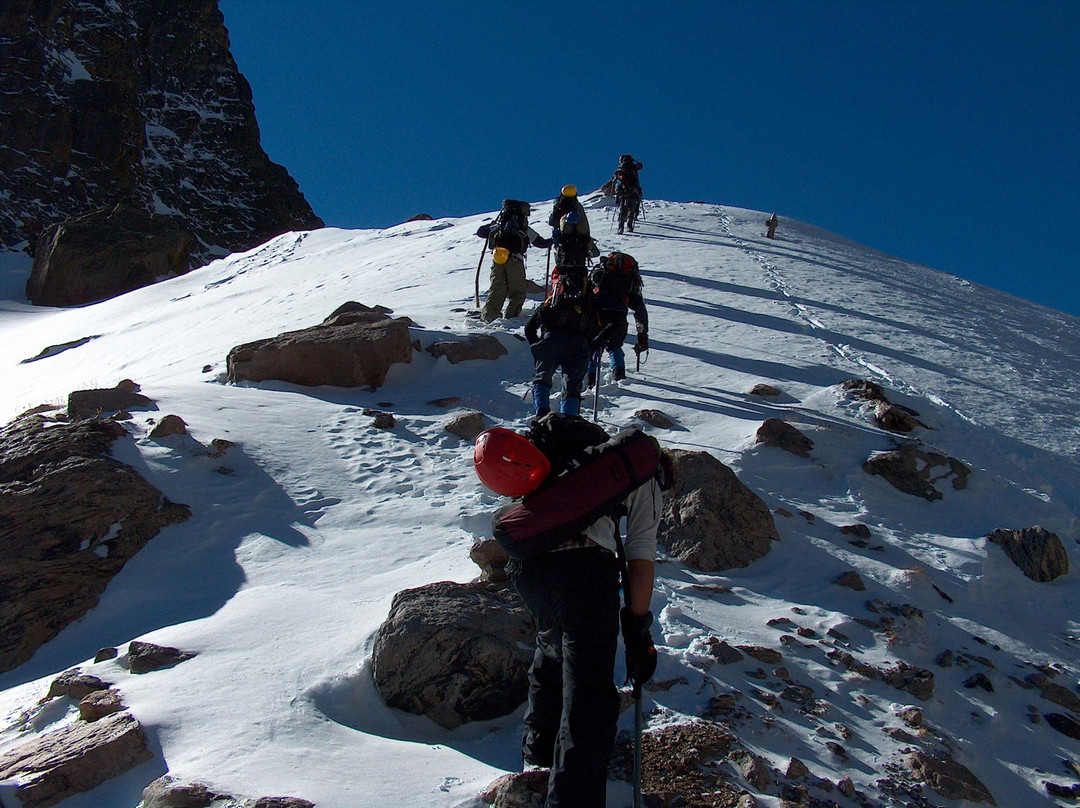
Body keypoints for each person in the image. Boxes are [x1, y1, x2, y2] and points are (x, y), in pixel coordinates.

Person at [493, 414, 661, 808]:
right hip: (585, 572)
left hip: (529, 572)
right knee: (589, 697)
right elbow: (640, 557)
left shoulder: (555, 470)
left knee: (551, 656)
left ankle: (535, 771)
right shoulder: (635, 473)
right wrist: (638, 630)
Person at [524, 265, 599, 417]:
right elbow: (595, 332)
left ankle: (541, 415)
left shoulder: (554, 300)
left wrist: (537, 346)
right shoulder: (588, 302)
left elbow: (529, 328)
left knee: (541, 378)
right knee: (572, 387)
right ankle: (568, 422)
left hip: (551, 340)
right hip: (579, 344)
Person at [476, 199, 552, 322]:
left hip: (498, 258)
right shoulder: (522, 227)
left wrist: (491, 226)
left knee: (497, 289)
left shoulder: (498, 225)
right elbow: (541, 242)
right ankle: (511, 318)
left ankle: (489, 317)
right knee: (518, 292)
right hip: (515, 260)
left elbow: (480, 232)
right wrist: (553, 240)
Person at [587, 252, 648, 386]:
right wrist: (642, 334)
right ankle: (619, 377)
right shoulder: (630, 279)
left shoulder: (601, 272)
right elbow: (639, 309)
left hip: (597, 312)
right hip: (618, 314)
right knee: (614, 345)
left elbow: (587, 290)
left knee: (593, 346)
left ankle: (590, 380)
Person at [611, 155, 643, 235]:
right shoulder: (633, 167)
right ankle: (629, 226)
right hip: (633, 191)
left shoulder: (619, 169)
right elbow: (641, 166)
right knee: (631, 209)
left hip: (623, 192)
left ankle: (620, 227)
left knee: (623, 210)